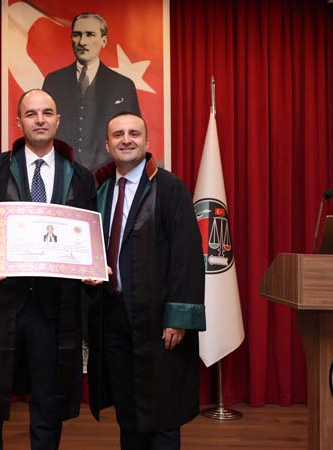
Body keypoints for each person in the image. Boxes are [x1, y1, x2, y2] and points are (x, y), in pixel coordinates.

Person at [0, 89, 97, 450]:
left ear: (58, 120)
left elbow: (90, 237)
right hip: (2, 302)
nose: (40, 119)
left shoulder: (79, 177)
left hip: (55, 310)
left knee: (49, 404)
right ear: (19, 122)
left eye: (47, 113)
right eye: (31, 113)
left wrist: (90, 265)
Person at [88, 112, 206, 450]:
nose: (126, 139)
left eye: (134, 133)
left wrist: (178, 317)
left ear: (147, 141)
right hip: (112, 315)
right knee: (127, 410)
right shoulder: (100, 190)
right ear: (107, 144)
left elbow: (186, 256)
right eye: (118, 134)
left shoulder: (170, 188)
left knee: (163, 411)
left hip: (158, 319)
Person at [42, 12, 141, 173]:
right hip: (63, 174)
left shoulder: (123, 85)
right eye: (77, 35)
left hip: (109, 176)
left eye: (90, 34)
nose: (82, 42)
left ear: (104, 40)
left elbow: (135, 134)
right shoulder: (53, 81)